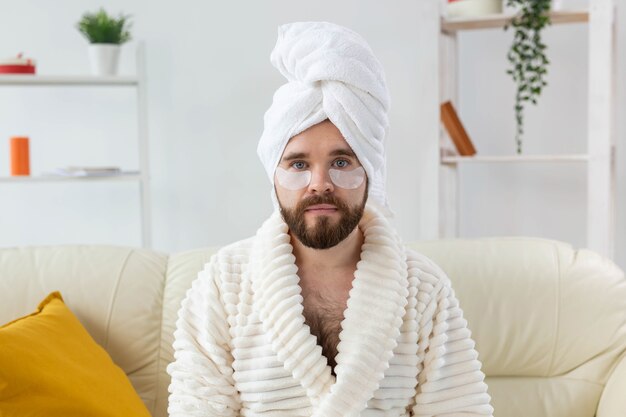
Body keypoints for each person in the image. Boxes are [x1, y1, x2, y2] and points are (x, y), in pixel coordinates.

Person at [167, 21, 494, 417]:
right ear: (273, 176)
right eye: (299, 164)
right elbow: (197, 407)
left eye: (341, 162)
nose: (319, 184)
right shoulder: (225, 283)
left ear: (370, 172)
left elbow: (460, 409)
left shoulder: (424, 290)